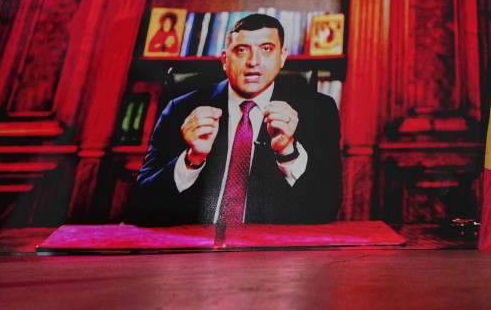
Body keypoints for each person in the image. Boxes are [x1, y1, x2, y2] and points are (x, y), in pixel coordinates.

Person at [131, 13, 342, 231]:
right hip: (194, 250)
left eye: (267, 49)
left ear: (283, 56)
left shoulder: (318, 111)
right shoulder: (181, 109)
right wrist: (191, 159)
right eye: (241, 50)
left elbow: (325, 209)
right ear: (224, 59)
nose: (253, 61)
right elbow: (141, 207)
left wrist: (289, 154)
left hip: (272, 254)